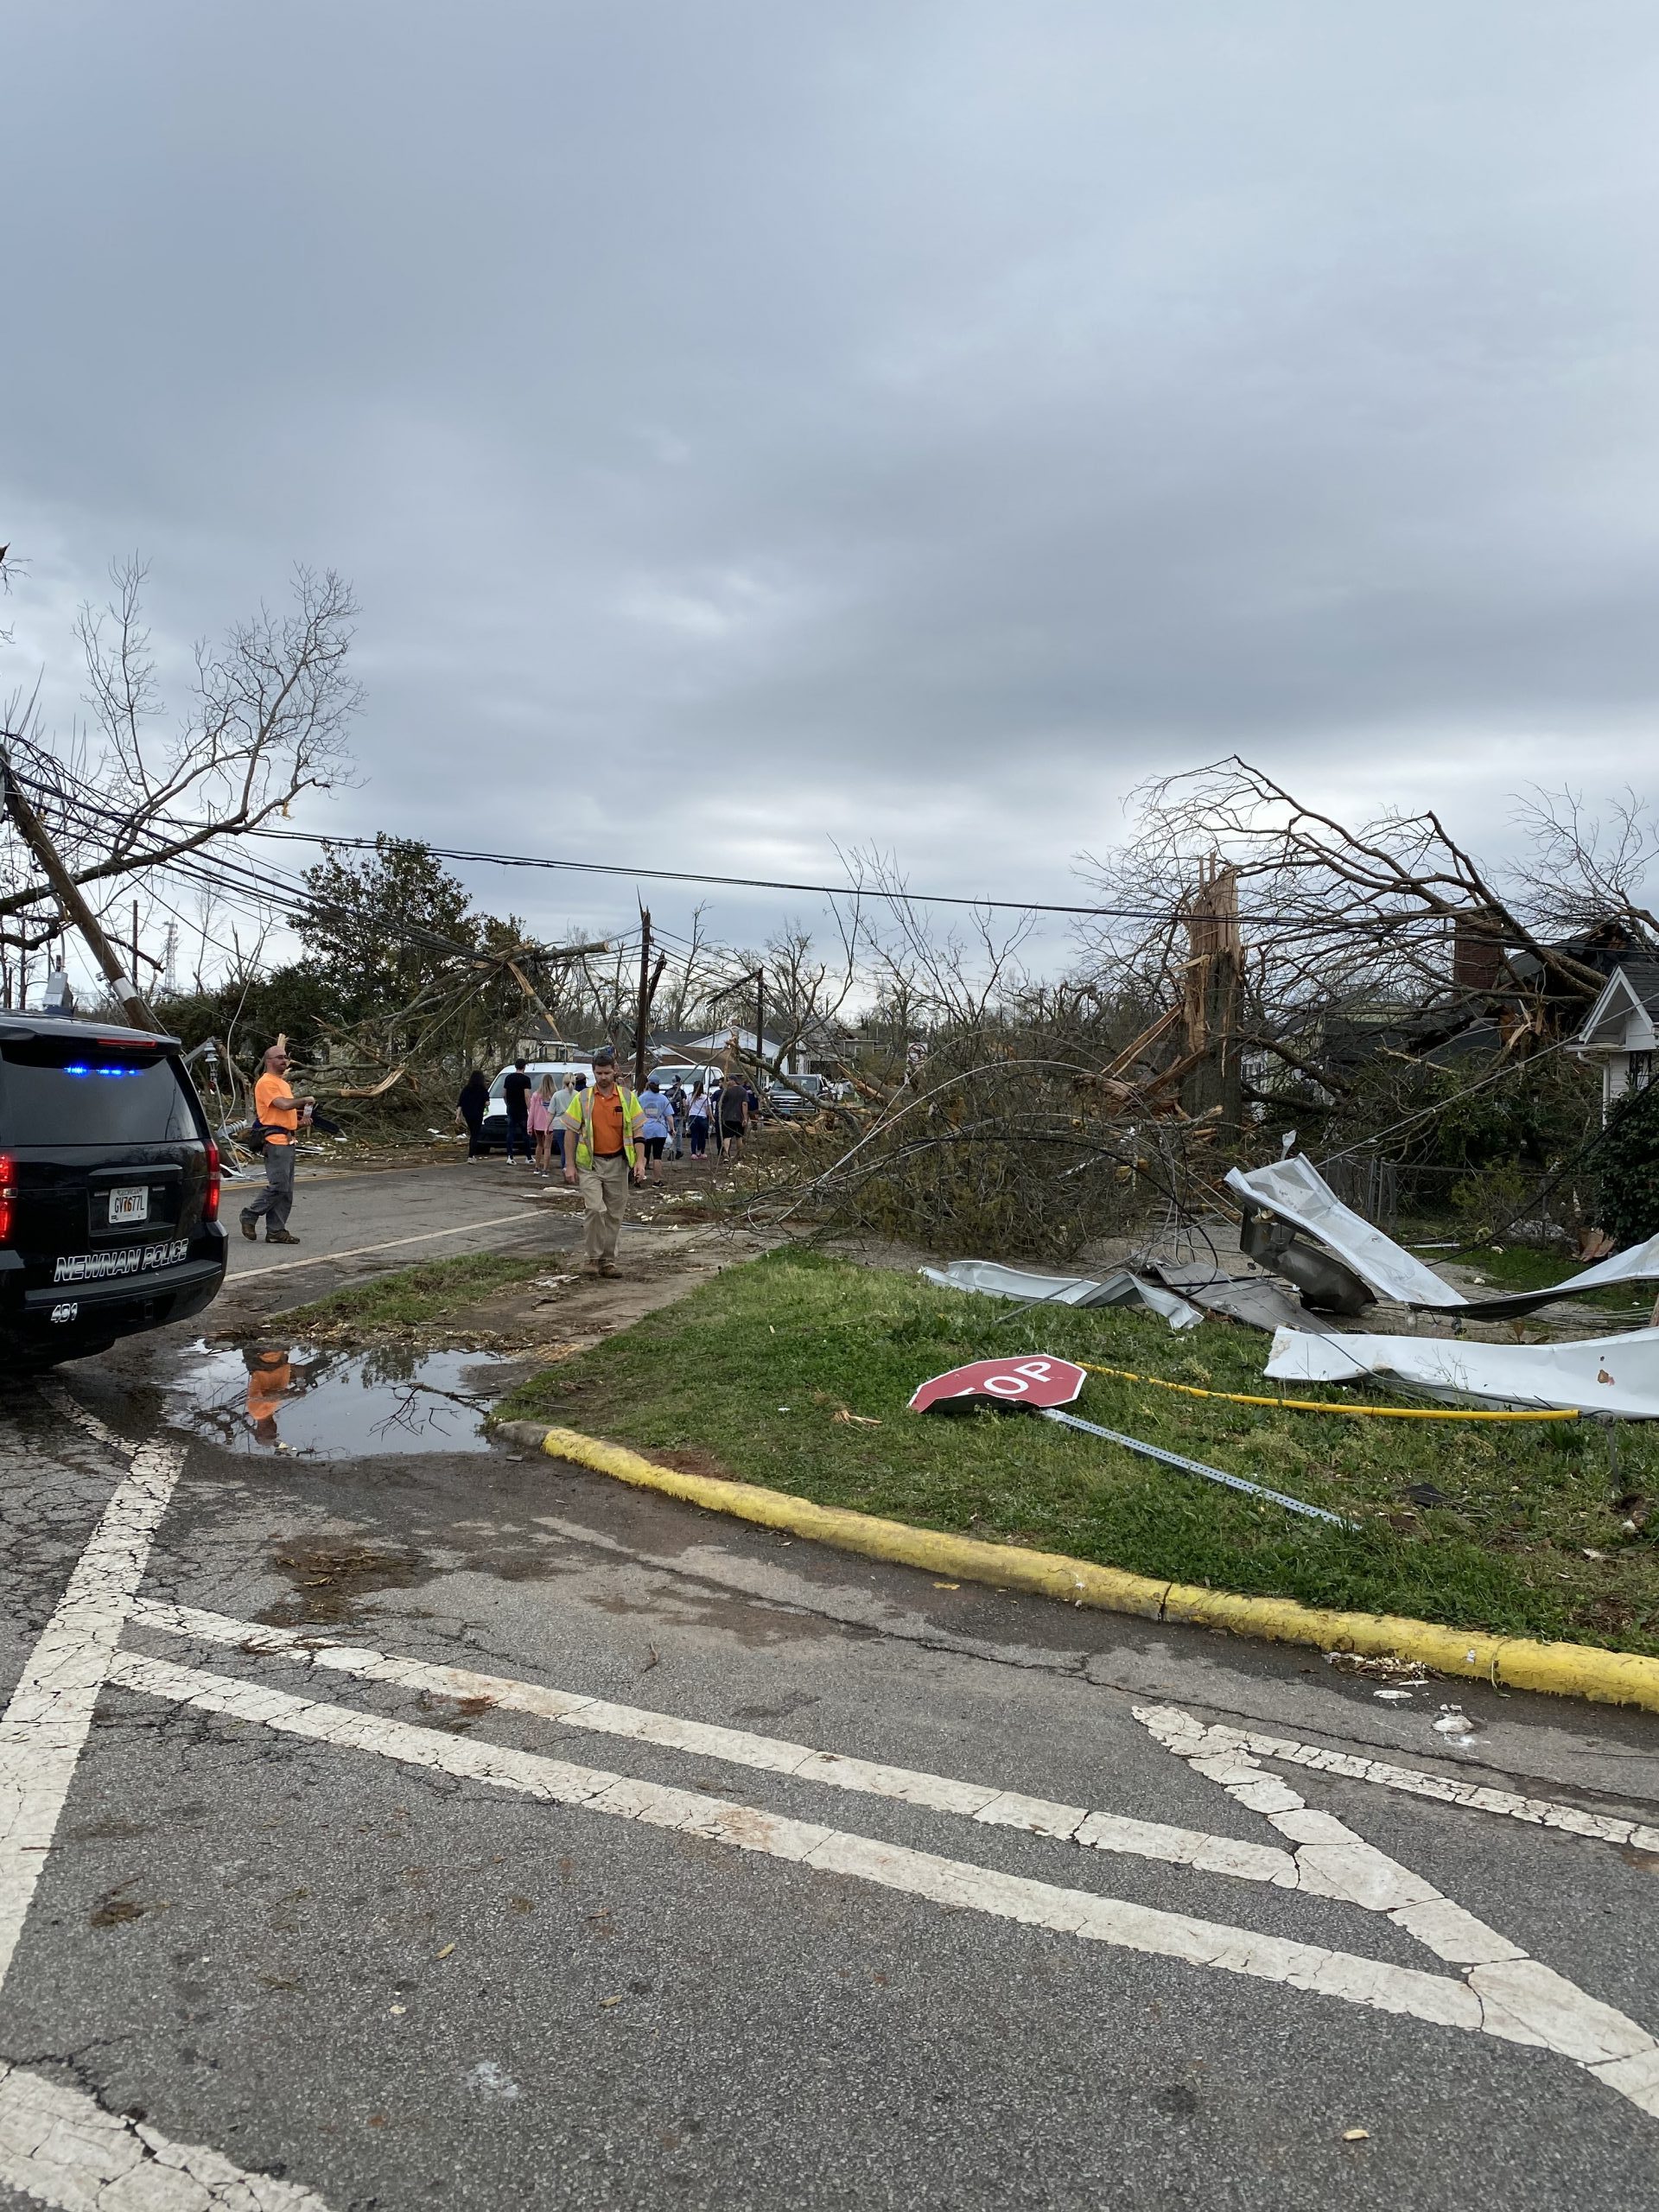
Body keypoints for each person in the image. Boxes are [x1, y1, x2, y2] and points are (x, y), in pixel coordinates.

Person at [563, 1046, 645, 1276]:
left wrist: (640, 1162)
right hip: (590, 1164)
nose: (603, 1077)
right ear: (593, 1073)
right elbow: (570, 1132)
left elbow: (638, 1131)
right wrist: (569, 1164)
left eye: (607, 1073)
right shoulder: (583, 1099)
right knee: (595, 1209)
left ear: (614, 1072)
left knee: (614, 1215)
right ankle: (592, 1258)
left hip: (618, 1164)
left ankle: (607, 1261)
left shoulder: (627, 1098)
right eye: (599, 1073)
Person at [239, 1043, 314, 1244]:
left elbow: (282, 1116)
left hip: (288, 1139)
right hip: (275, 1142)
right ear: (269, 1061)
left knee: (286, 1191)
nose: (284, 1060)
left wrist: (299, 1122)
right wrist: (303, 1100)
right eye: (279, 1057)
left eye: (285, 1057)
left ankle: (276, 1231)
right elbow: (283, 1105)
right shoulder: (266, 1083)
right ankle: (250, 1214)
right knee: (279, 1186)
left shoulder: (283, 1084)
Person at [637, 1077, 674, 1183]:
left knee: (644, 1155)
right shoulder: (663, 1098)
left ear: (648, 1084)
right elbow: (669, 1117)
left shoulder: (641, 1098)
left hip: (644, 1129)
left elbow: (636, 1115)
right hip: (659, 1130)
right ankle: (657, 1181)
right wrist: (672, 1129)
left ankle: (638, 1178)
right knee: (657, 1156)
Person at [501, 1058, 532, 1164]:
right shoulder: (526, 1079)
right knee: (525, 1133)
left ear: (515, 1066)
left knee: (510, 1132)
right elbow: (527, 1096)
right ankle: (528, 1157)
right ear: (524, 1067)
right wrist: (530, 1109)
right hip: (522, 1109)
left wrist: (507, 1104)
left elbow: (504, 1094)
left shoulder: (508, 1078)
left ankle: (510, 1156)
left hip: (511, 1108)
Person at [456, 1068, 489, 1159]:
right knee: (475, 1135)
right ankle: (471, 1155)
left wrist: (458, 1116)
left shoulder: (466, 1089)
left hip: (468, 1114)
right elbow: (487, 1102)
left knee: (472, 1133)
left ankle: (471, 1155)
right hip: (478, 1114)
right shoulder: (482, 1089)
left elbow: (460, 1103)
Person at [530, 1072, 557, 1173]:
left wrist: (529, 1126)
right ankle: (545, 1169)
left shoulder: (536, 1095)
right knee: (547, 1147)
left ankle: (537, 1167)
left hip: (538, 1125)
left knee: (539, 1145)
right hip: (550, 1125)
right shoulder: (555, 1095)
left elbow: (531, 1112)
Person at [718, 1072, 748, 1164]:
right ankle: (739, 1155)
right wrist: (745, 1117)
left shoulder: (727, 1091)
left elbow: (720, 1103)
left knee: (727, 1137)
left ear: (733, 1080)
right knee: (739, 1137)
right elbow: (745, 1104)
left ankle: (726, 1155)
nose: (727, 1082)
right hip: (739, 1117)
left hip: (727, 1117)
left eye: (729, 1080)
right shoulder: (743, 1091)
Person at [550, 1073, 575, 1173]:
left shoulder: (557, 1095)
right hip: (572, 1124)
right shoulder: (577, 1095)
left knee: (563, 1150)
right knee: (571, 1150)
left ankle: (564, 1169)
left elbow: (551, 1112)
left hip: (559, 1123)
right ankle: (569, 1168)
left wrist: (547, 1126)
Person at [685, 1084, 710, 1160]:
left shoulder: (690, 1096)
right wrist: (708, 1116)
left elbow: (687, 1106)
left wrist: (687, 1115)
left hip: (692, 1117)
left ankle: (693, 1153)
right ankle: (701, 1152)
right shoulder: (705, 1097)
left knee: (694, 1136)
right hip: (702, 1117)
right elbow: (707, 1108)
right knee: (702, 1136)